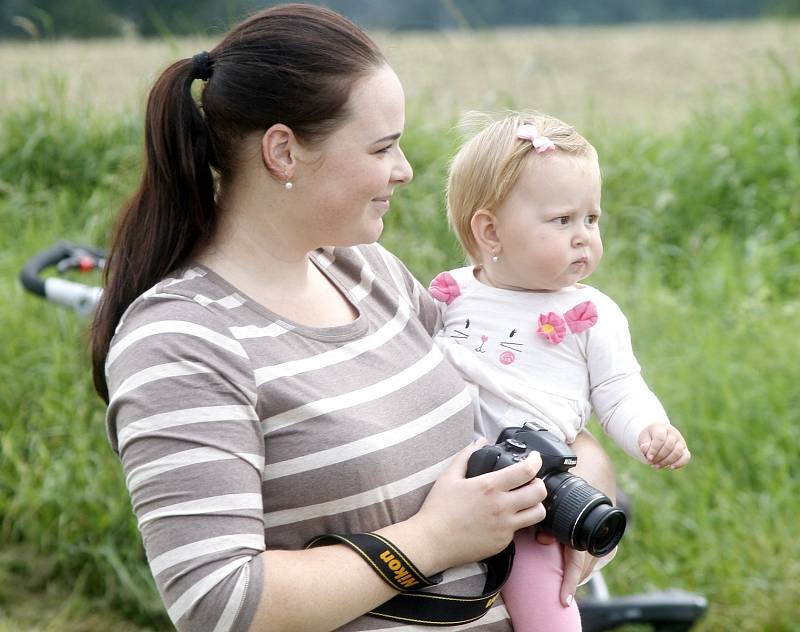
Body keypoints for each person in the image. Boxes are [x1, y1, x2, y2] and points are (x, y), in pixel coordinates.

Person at [88, 6, 621, 631]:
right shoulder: (181, 342)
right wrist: (434, 540)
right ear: (284, 151)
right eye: (382, 146)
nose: (406, 170)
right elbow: (218, 604)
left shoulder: (368, 272)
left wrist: (577, 486)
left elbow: (519, 406)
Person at [428, 111, 692, 631]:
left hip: (531, 497)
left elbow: (618, 389)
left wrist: (649, 430)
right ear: (490, 231)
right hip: (441, 485)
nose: (583, 237)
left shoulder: (590, 316)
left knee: (545, 602)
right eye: (562, 220)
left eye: (591, 219)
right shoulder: (450, 296)